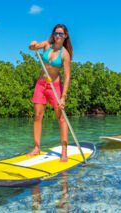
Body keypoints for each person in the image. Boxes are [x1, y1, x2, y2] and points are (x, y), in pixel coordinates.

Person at [27, 24, 73, 162]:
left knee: (61, 118)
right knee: (37, 116)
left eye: (60, 34)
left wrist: (63, 97)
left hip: (55, 86)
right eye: (55, 33)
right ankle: (36, 148)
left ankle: (64, 152)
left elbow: (67, 77)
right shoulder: (47, 45)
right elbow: (33, 47)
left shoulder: (65, 54)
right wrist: (33, 45)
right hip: (41, 84)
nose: (57, 36)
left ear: (65, 36)